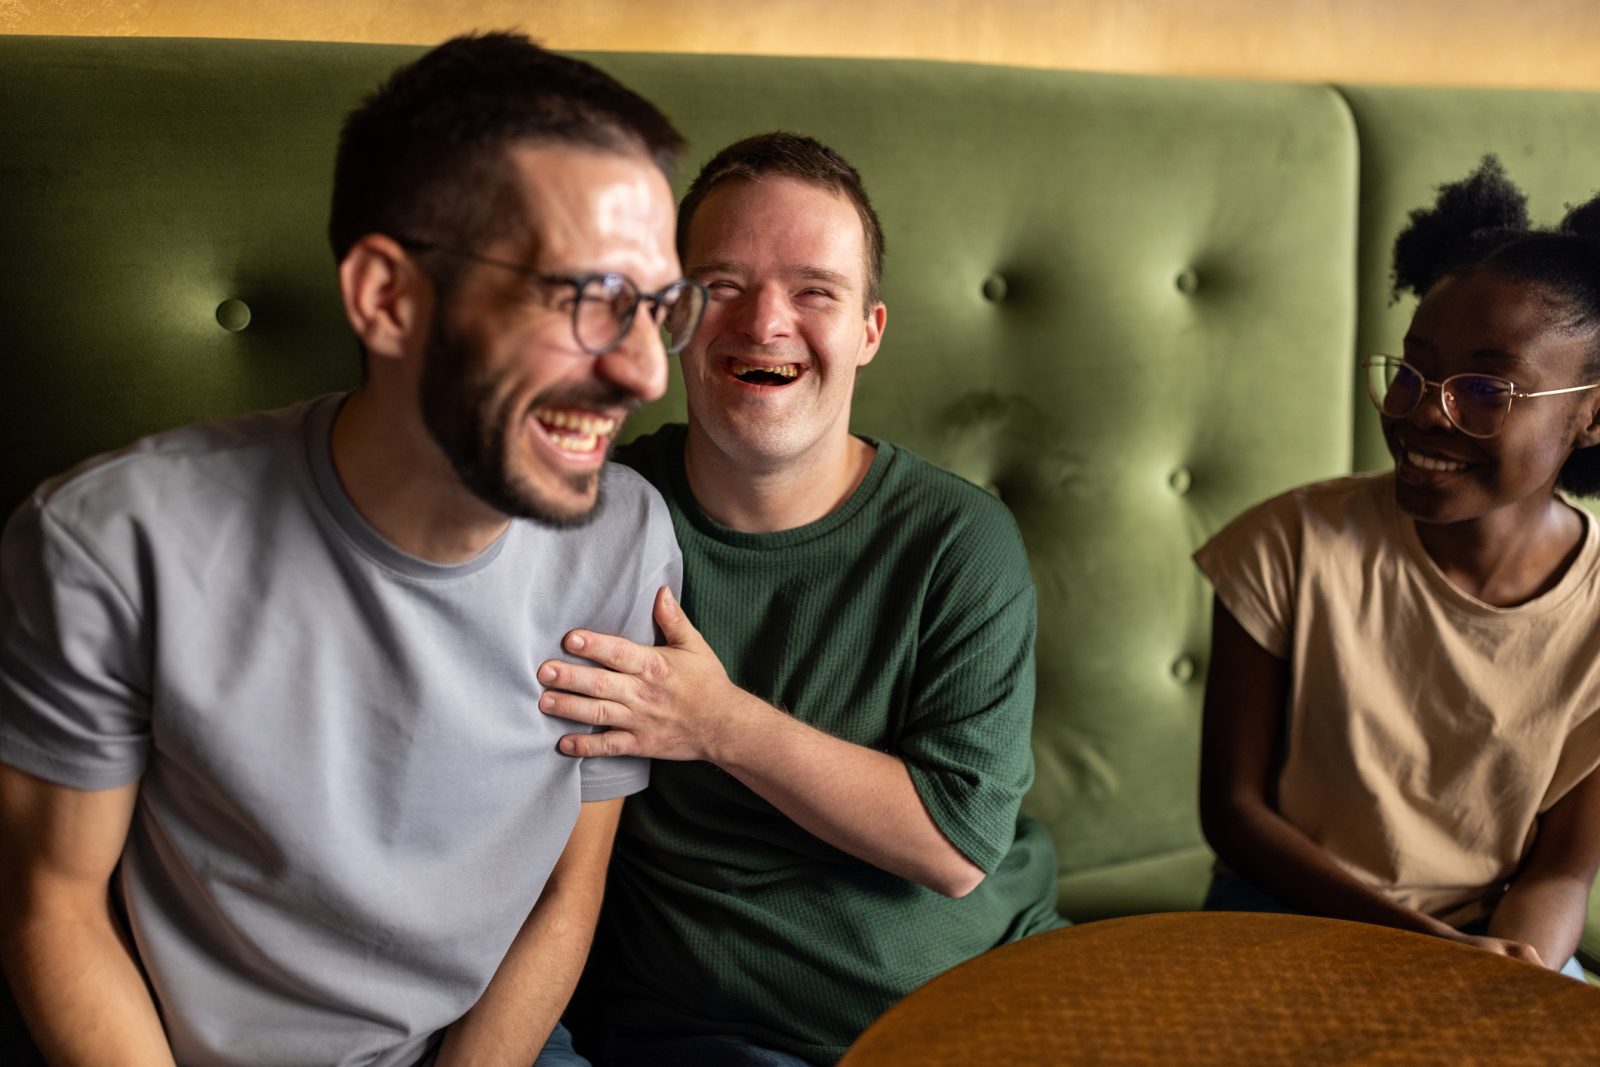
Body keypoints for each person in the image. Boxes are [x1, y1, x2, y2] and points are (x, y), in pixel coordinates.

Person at [0, 33, 702, 1066]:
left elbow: (568, 889)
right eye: (590, 298)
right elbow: (52, 908)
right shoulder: (109, 542)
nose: (645, 371)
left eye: (656, 309)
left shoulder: (626, 536)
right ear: (387, 295)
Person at [536, 132, 1063, 1066]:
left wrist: (716, 721)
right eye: (725, 286)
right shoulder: (595, 516)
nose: (764, 322)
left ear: (868, 330)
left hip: (995, 995)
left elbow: (956, 844)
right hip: (710, 1030)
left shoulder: (959, 539)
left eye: (814, 290)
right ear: (674, 315)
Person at [1195, 156, 1600, 979]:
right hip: (1283, 912)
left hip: (1489, 942)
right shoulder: (1289, 544)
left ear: (1593, 415)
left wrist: (1504, 976)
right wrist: (1425, 951)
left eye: (1487, 389)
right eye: (1414, 369)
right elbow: (1234, 814)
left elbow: (1560, 868)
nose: (1420, 411)